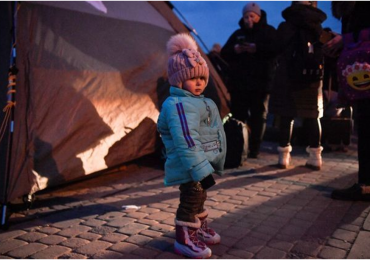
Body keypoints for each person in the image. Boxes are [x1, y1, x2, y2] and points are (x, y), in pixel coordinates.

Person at [157, 33, 227, 258]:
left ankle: (199, 227)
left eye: (202, 78)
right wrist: (201, 169)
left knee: (199, 195)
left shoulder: (196, 101)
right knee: (191, 198)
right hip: (189, 165)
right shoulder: (178, 105)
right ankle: (184, 238)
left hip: (200, 163)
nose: (199, 83)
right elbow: (187, 140)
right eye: (192, 78)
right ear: (178, 80)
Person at [268, 1, 326, 170]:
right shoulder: (317, 25)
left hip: (288, 75)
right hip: (312, 77)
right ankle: (316, 157)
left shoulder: (286, 25)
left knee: (286, 115)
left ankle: (283, 157)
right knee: (313, 115)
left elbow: (275, 48)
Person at [323, 1, 370, 201]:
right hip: (361, 73)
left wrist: (347, 39)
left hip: (365, 70)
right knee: (365, 125)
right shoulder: (348, 8)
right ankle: (365, 183)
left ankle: (366, 184)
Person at [221, 2, 276, 159]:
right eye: (245, 16)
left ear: (258, 16)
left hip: (261, 83)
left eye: (251, 16)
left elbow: (275, 49)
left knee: (259, 116)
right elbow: (224, 52)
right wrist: (235, 50)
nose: (248, 19)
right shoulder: (237, 34)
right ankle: (239, 146)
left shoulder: (269, 32)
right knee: (239, 115)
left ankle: (254, 148)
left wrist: (256, 49)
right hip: (239, 84)